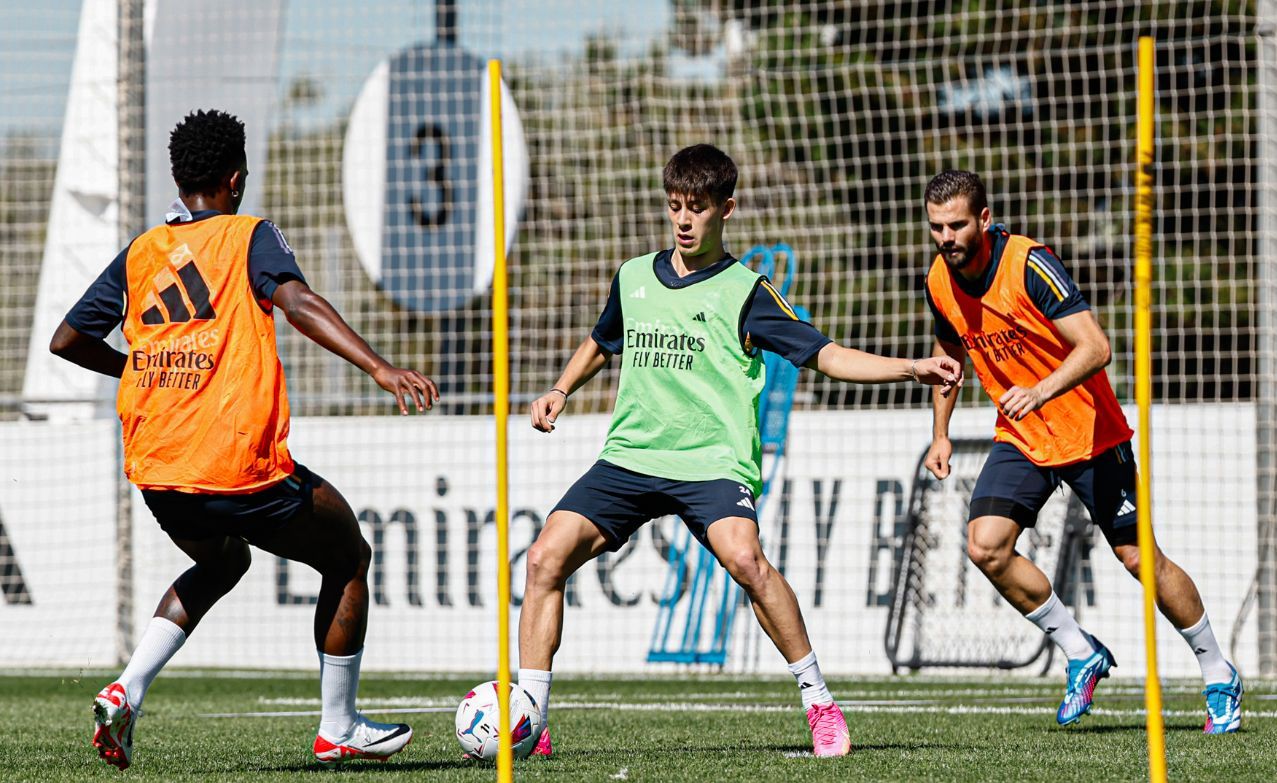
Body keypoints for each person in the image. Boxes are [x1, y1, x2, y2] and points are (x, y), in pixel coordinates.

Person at [517, 144, 963, 759]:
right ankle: (530, 719)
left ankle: (819, 703)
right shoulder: (634, 277)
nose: (682, 219)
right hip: (630, 457)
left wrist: (910, 367)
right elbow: (602, 341)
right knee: (544, 557)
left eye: (696, 208)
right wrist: (561, 389)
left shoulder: (746, 291)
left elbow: (826, 355)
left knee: (747, 561)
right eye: (674, 206)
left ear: (726, 209)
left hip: (710, 464)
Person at [50, 109, 437, 770]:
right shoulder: (247, 235)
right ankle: (338, 724)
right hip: (234, 464)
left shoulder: (142, 252)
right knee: (347, 554)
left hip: (158, 470)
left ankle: (127, 687)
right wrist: (379, 365)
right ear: (235, 178)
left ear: (179, 178)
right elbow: (298, 302)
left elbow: (67, 338)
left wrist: (136, 368)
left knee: (223, 561)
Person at [921, 169, 1243, 732]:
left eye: (956, 225)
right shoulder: (939, 281)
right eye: (936, 228)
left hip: (1089, 430)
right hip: (1023, 436)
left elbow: (1097, 346)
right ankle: (1080, 651)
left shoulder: (1028, 263)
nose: (945, 237)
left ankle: (1218, 671)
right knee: (985, 546)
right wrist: (941, 432)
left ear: (984, 220)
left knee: (1139, 557)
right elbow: (949, 355)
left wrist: (1040, 390)